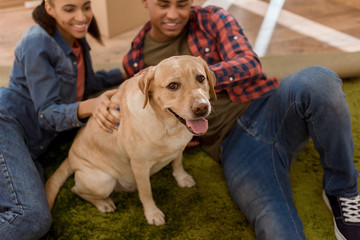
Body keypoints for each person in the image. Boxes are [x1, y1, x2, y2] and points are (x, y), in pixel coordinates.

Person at [122, 0, 360, 239]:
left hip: (270, 108)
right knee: (278, 229)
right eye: (163, 5)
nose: (173, 14)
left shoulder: (211, 19)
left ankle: (343, 189)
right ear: (145, 2)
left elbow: (249, 62)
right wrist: (96, 102)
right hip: (233, 146)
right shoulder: (136, 59)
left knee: (318, 78)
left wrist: (203, 74)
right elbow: (122, 81)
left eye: (182, 4)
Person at [0, 0, 123, 239]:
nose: (82, 17)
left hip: (29, 143)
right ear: (49, 7)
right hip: (6, 125)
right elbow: (48, 115)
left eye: (86, 7)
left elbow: (85, 85)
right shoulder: (37, 43)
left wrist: (127, 70)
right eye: (69, 9)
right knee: (30, 216)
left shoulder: (75, 38)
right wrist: (90, 106)